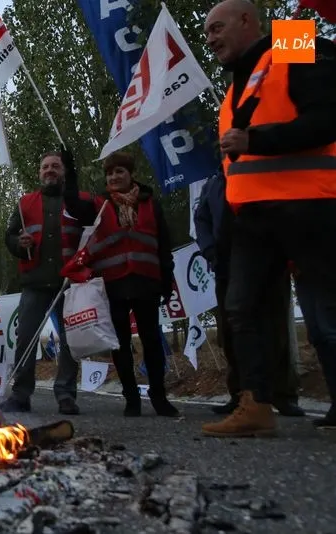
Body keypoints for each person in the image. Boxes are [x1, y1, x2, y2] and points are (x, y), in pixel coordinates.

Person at [202, 0, 336, 436]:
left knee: (324, 317)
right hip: (252, 220)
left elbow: (328, 118)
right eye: (206, 33)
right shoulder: (233, 87)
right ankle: (256, 406)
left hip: (309, 207)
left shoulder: (291, 43)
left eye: (217, 27)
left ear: (247, 20)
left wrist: (257, 138)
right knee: (240, 308)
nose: (210, 38)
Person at [64, 151, 180, 418]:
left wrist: (167, 280)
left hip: (146, 281)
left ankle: (159, 396)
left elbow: (163, 245)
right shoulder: (99, 205)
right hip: (113, 284)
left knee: (152, 341)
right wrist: (70, 172)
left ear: (130, 175)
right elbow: (72, 205)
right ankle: (131, 398)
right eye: (110, 173)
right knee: (121, 343)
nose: (114, 177)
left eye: (119, 172)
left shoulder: (151, 204)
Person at [193, 171, 304, 417]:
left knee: (275, 329)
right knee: (232, 333)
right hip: (225, 266)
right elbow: (201, 220)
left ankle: (282, 394)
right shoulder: (212, 184)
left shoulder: (263, 173)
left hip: (269, 263)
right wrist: (210, 251)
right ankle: (241, 395)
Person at [0, 150, 88, 416]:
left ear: (63, 171)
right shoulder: (25, 203)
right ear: (39, 172)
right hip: (34, 282)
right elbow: (10, 236)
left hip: (69, 283)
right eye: (45, 166)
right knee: (25, 339)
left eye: (55, 166)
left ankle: (66, 395)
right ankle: (21, 396)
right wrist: (18, 244)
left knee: (69, 342)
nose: (50, 170)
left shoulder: (77, 201)